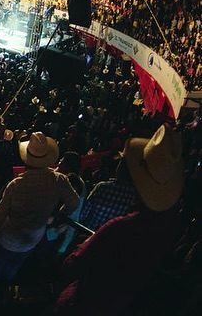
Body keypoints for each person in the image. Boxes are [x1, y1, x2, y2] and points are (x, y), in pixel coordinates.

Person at [55, 124, 185, 315]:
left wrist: (90, 241)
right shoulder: (170, 230)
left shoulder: (120, 228)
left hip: (83, 303)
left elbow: (72, 266)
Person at [0, 131, 79, 307]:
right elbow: (74, 203)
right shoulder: (59, 180)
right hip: (32, 238)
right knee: (13, 267)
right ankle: (0, 294)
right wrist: (54, 216)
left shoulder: (16, 184)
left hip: (8, 237)